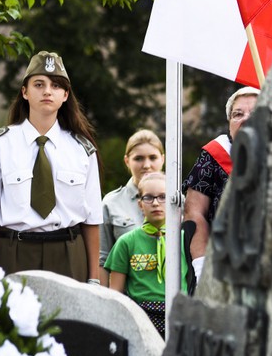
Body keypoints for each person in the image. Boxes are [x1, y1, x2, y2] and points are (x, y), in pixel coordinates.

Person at [0, 51, 102, 284]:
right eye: (39, 84)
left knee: (69, 321)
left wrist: (94, 278)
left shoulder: (82, 149)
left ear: (65, 95)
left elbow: (92, 218)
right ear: (24, 92)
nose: (47, 91)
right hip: (13, 253)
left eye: (55, 86)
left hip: (68, 254)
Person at [182, 86, 259, 273]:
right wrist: (201, 265)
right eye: (237, 114)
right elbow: (195, 213)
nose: (246, 119)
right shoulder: (214, 156)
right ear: (229, 123)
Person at [104, 172, 188, 335]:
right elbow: (116, 293)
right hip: (141, 318)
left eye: (163, 196)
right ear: (140, 204)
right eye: (149, 197)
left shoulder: (185, 239)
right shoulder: (126, 242)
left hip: (180, 316)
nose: (156, 203)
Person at [99, 130, 165, 286]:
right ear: (127, 161)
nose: (146, 165)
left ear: (163, 159)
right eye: (139, 158)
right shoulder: (111, 203)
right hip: (126, 296)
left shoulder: (177, 202)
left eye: (153, 158)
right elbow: (102, 259)